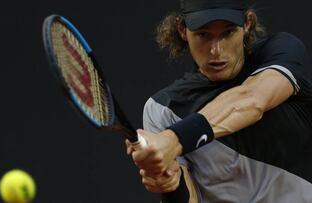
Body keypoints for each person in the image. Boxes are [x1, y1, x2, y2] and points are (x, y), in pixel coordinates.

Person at [127, 0, 312, 202]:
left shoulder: (281, 52)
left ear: (247, 23)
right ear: (182, 30)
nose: (216, 50)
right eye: (203, 34)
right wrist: (169, 183)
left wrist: (173, 140)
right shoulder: (162, 109)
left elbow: (252, 99)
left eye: (228, 33)